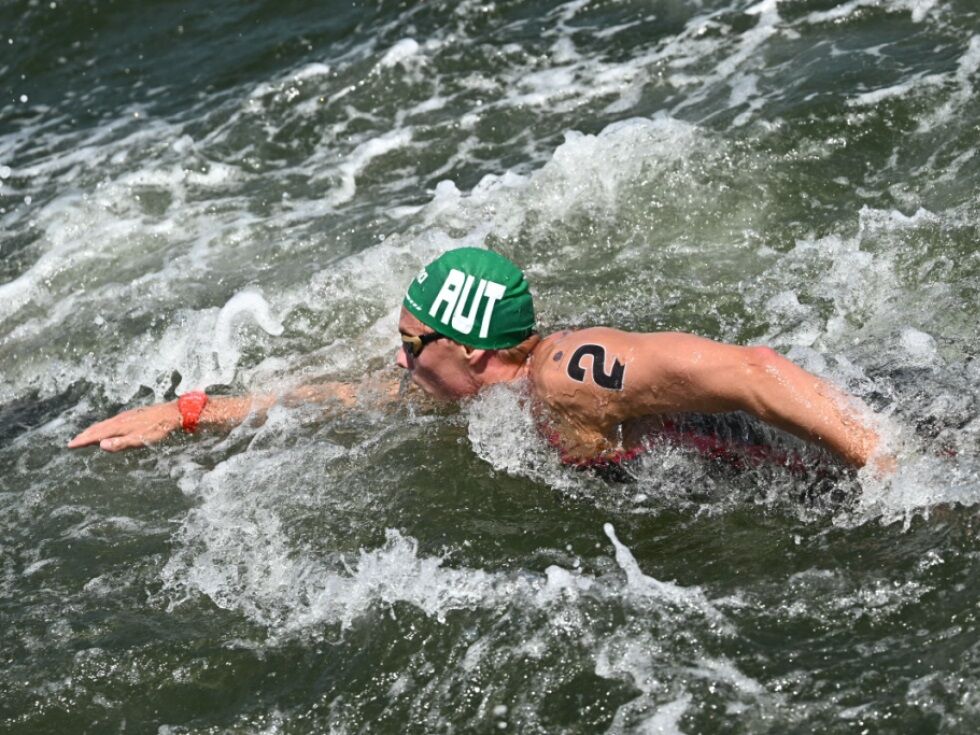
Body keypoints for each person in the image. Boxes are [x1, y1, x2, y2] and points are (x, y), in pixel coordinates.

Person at [69, 247, 886, 470]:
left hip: (852, 429)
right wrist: (190, 411)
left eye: (411, 343)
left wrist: (888, 466)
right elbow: (342, 399)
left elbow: (754, 370)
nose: (400, 360)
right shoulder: (473, 392)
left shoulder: (569, 370)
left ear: (466, 349)